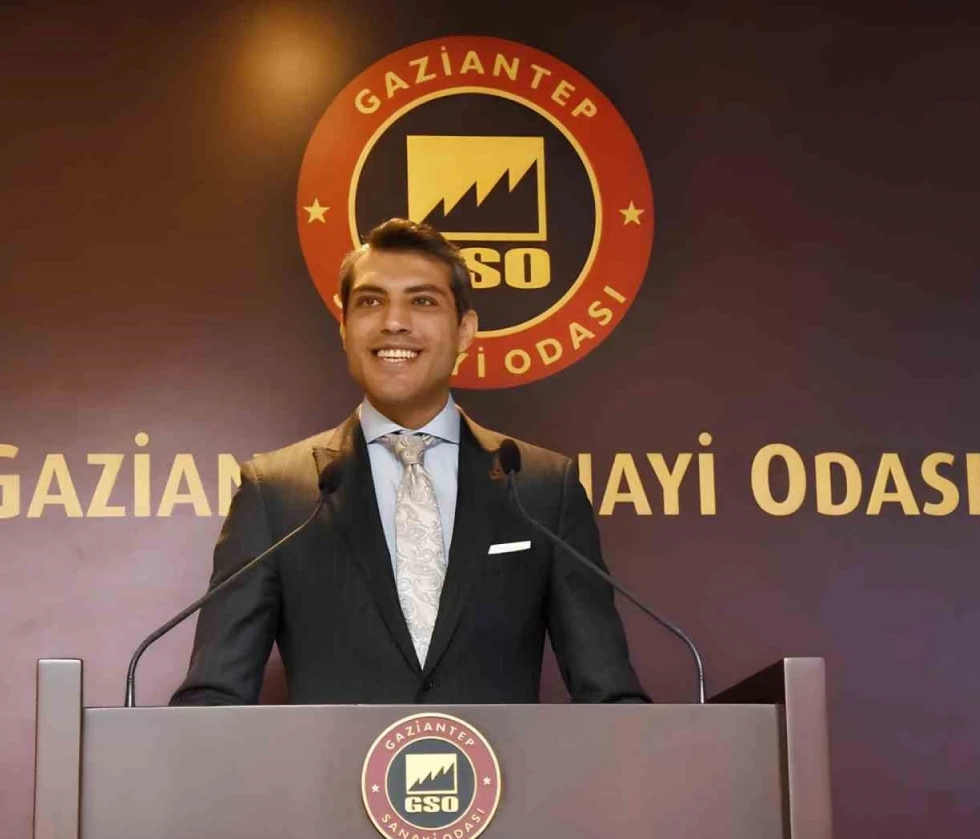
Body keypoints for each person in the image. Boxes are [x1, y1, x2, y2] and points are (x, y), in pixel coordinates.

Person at [171, 219, 646, 705]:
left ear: (465, 330)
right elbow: (213, 700)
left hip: (504, 760)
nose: (393, 322)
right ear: (344, 329)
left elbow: (610, 698)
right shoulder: (276, 492)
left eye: (422, 301)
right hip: (331, 760)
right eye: (370, 302)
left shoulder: (542, 487)